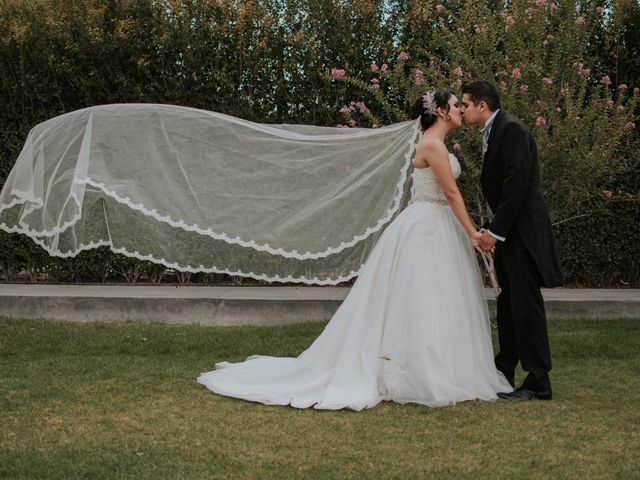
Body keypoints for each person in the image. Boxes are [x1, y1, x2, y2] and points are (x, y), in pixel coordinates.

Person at [197, 90, 513, 410]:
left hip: (434, 224)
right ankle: (422, 371)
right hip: (427, 228)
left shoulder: (434, 144)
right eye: (456, 105)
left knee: (437, 297)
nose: (461, 109)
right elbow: (451, 194)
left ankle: (443, 365)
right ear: (443, 112)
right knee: (424, 295)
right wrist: (474, 233)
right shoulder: (431, 145)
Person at [460, 81, 564, 401]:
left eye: (465, 104)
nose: (461, 110)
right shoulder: (493, 131)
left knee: (525, 303)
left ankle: (538, 379)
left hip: (521, 234)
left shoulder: (512, 130)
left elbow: (516, 186)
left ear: (482, 105)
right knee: (508, 302)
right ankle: (504, 368)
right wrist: (492, 227)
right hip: (507, 233)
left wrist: (494, 232)